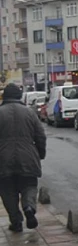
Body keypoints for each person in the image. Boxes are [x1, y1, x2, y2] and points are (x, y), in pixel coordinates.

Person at [0, 83, 47, 232]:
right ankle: (29, 207)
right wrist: (40, 153)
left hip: (3, 159)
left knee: (7, 191)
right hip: (28, 156)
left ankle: (16, 222)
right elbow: (40, 135)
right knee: (29, 186)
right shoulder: (30, 113)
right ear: (19, 96)